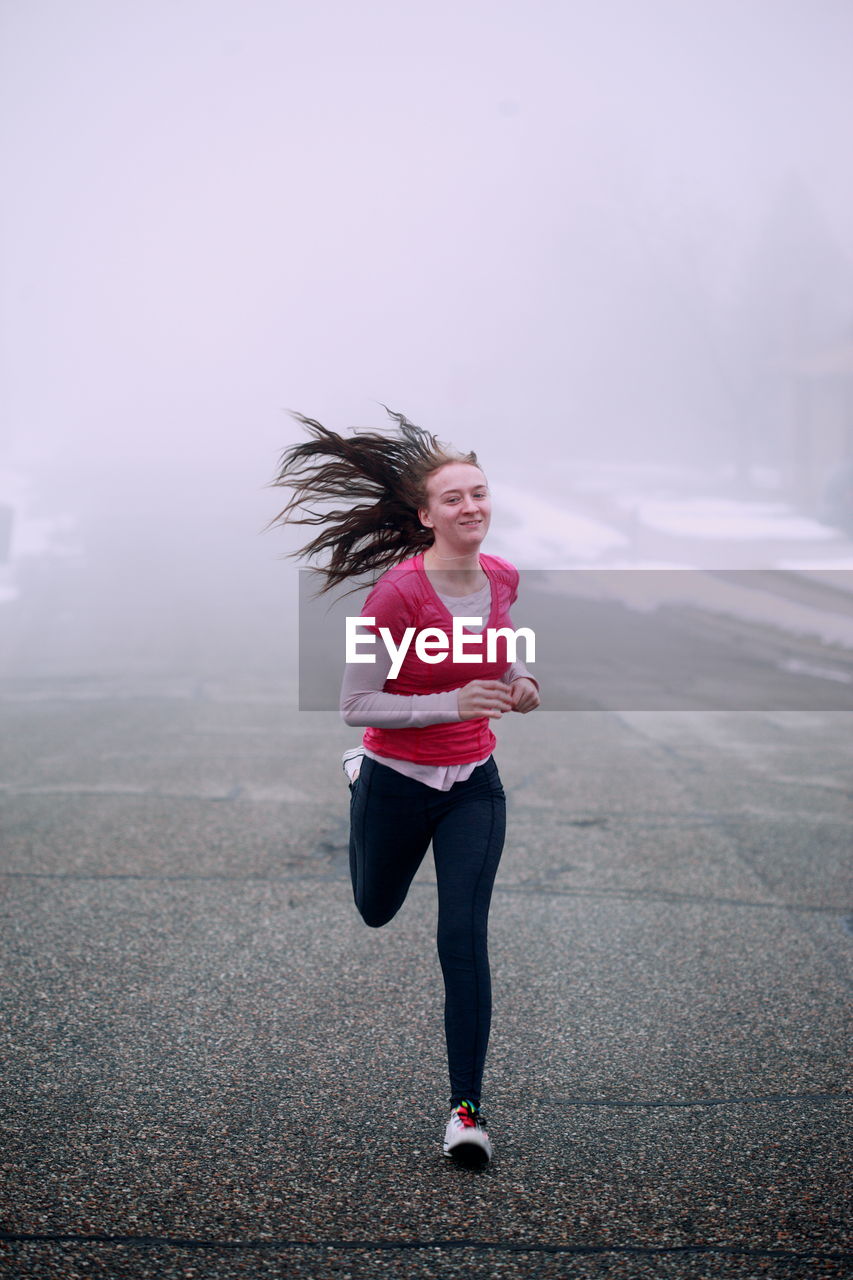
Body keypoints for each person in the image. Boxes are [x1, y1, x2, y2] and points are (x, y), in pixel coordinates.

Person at [269, 409, 540, 1167]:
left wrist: (521, 680)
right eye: (453, 498)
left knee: (462, 937)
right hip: (393, 776)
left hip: (471, 784)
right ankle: (358, 781)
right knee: (376, 907)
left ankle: (466, 1113)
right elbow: (355, 705)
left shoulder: (500, 578)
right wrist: (447, 703)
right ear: (425, 515)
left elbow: (508, 644)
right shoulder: (391, 598)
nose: (471, 508)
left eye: (479, 493)